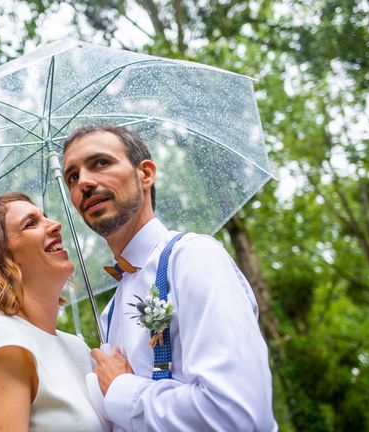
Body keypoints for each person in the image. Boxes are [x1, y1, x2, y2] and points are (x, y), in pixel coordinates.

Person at [62, 125, 277, 431]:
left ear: (145, 174)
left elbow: (236, 416)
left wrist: (122, 390)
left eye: (100, 163)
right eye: (72, 176)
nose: (84, 181)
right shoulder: (109, 314)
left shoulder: (193, 258)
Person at [0, 192, 109, 432]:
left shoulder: (77, 347)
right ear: (0, 260)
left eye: (45, 217)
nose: (56, 225)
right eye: (31, 224)